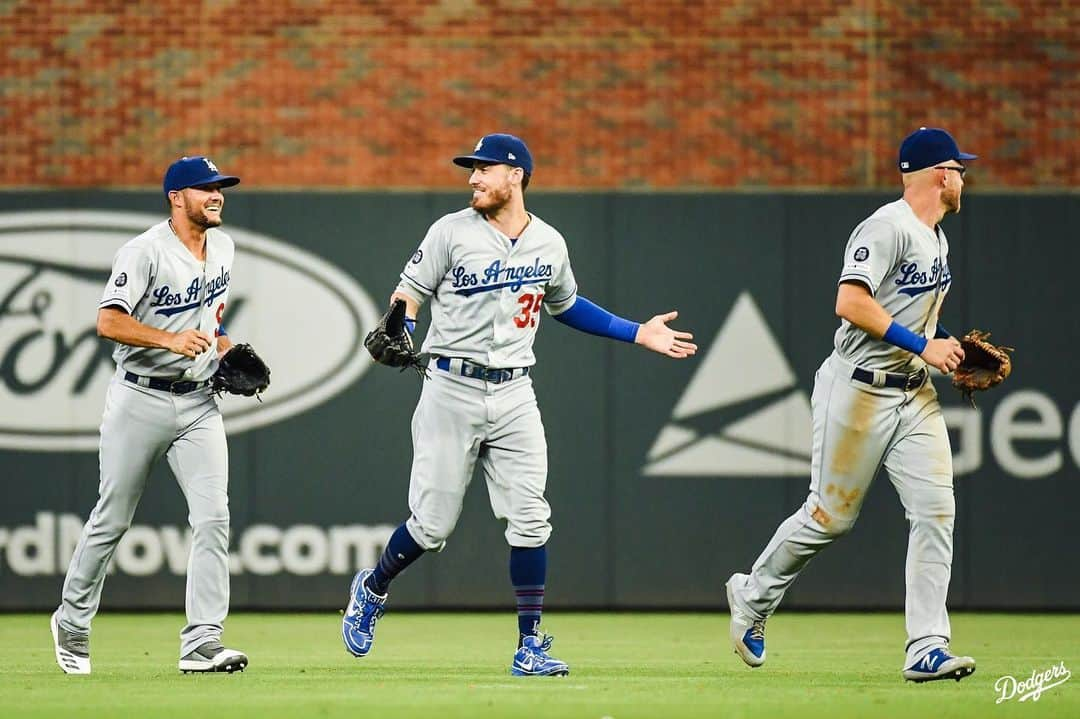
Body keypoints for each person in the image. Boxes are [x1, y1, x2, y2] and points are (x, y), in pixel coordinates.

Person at [341, 133, 697, 676]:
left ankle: (530, 645)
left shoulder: (549, 243)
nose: (473, 178)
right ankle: (374, 585)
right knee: (432, 526)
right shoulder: (449, 232)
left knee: (531, 520)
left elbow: (568, 305)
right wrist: (404, 323)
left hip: (514, 393)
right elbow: (408, 293)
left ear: (516, 175)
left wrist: (635, 333)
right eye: (472, 170)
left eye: (484, 169)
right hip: (450, 388)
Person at [725, 127, 978, 683]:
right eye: (959, 168)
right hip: (858, 389)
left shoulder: (937, 237)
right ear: (940, 173)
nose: (964, 177)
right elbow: (850, 301)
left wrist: (945, 350)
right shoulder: (886, 227)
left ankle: (926, 647)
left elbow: (914, 322)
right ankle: (753, 596)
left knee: (937, 512)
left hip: (913, 393)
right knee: (829, 518)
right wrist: (923, 345)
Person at [50, 156, 249, 675]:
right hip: (139, 398)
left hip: (199, 402)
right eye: (205, 188)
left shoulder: (223, 247)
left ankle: (202, 640)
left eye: (219, 187)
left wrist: (225, 352)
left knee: (214, 517)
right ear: (176, 197)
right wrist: (168, 339)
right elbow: (107, 320)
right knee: (112, 519)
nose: (216, 195)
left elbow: (210, 324)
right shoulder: (143, 252)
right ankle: (71, 620)